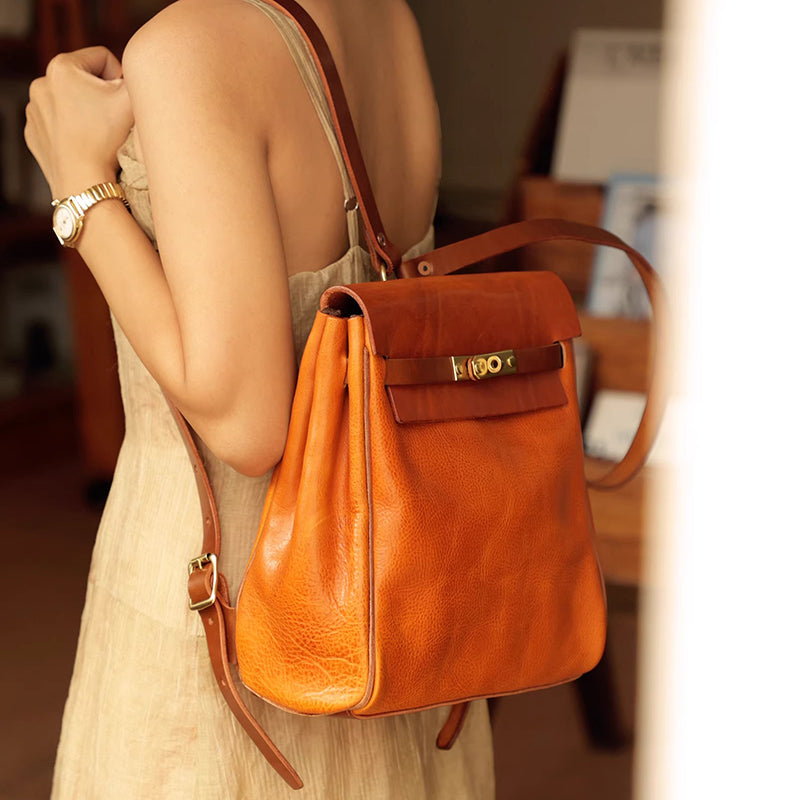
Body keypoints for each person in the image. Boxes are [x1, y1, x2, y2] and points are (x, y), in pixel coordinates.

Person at [24, 0, 496, 796]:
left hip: (236, 615)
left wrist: (79, 187)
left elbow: (246, 427)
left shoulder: (190, 48)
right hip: (393, 596)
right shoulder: (389, 22)